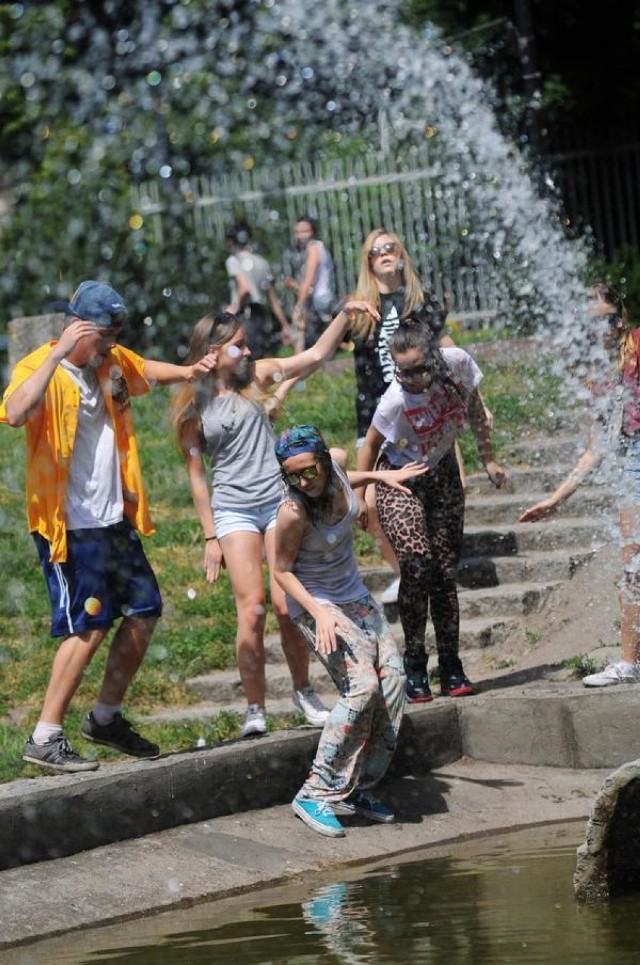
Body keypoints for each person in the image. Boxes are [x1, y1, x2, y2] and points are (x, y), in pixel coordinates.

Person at [0, 280, 212, 773]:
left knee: (144, 610)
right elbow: (13, 412)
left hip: (114, 521)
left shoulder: (110, 361)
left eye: (117, 335)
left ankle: (105, 718)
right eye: (106, 336)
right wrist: (57, 356)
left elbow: (145, 370)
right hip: (69, 527)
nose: (114, 345)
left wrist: (189, 370)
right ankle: (45, 734)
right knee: (89, 624)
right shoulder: (40, 369)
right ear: (78, 329)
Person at [170, 298, 379, 738]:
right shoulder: (193, 409)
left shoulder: (258, 377)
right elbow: (197, 480)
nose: (247, 352)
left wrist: (344, 314)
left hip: (278, 502)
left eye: (247, 345)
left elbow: (315, 356)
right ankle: (254, 708)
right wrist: (210, 537)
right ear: (212, 350)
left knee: (287, 608)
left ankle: (303, 691)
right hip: (235, 510)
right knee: (253, 609)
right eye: (238, 346)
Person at [273, 424, 427, 838]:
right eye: (293, 476)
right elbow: (281, 571)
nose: (304, 482)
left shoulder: (336, 466)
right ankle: (314, 791)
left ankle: (357, 787)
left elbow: (346, 476)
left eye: (309, 471)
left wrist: (379, 476)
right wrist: (318, 613)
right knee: (362, 687)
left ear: (324, 460)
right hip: (316, 604)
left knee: (394, 681)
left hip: (355, 597)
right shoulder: (293, 512)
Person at [357, 320, 507, 703]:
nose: (413, 378)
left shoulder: (457, 364)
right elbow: (370, 446)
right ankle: (415, 662)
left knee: (444, 573)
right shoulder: (394, 401)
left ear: (435, 358)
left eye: (421, 368)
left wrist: (488, 459)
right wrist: (362, 498)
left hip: (442, 476)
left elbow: (475, 409)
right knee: (416, 562)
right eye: (403, 371)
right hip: (399, 479)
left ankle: (452, 666)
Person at [347, 227, 490, 605]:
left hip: (426, 411)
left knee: (447, 485)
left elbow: (450, 351)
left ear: (402, 253)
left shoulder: (421, 302)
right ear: (368, 262)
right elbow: (320, 349)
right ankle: (405, 572)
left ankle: (440, 564)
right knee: (373, 504)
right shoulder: (359, 309)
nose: (384, 254)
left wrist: (478, 399)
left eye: (390, 247)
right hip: (377, 415)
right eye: (375, 251)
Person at [519, 283, 640, 688]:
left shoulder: (639, 345)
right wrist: (555, 499)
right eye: (590, 323)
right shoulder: (598, 379)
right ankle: (628, 663)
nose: (599, 330)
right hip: (630, 470)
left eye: (606, 319)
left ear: (620, 317)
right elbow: (596, 449)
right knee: (631, 570)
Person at [224, 220, 292, 358]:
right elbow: (273, 301)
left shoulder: (233, 260)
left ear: (232, 241)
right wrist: (285, 326)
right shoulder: (262, 262)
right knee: (259, 359)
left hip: (245, 316)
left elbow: (244, 288)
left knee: (244, 362)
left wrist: (231, 310)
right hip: (261, 317)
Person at [283, 215, 338, 353]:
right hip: (324, 297)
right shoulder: (320, 247)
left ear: (313, 231)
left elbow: (309, 280)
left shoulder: (313, 248)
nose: (301, 236)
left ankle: (298, 368)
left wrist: (299, 305)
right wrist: (294, 285)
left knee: (302, 335)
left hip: (320, 300)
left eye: (305, 231)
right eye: (298, 232)